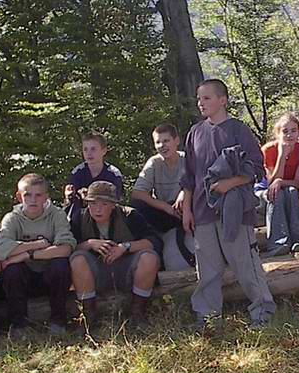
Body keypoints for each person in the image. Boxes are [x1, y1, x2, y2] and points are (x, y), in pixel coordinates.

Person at [180, 79, 275, 331]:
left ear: (222, 100)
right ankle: (207, 317)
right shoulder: (195, 133)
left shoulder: (238, 130)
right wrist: (187, 209)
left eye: (207, 98)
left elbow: (256, 168)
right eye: (199, 99)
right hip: (202, 211)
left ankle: (263, 313)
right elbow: (188, 176)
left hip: (235, 209)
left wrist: (230, 183)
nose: (201, 103)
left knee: (246, 265)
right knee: (207, 268)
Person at [0, 173, 77, 335]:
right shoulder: (12, 218)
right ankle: (19, 325)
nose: (33, 200)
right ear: (19, 196)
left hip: (50, 277)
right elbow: (1, 249)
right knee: (12, 270)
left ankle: (58, 322)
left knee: (60, 265)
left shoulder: (57, 215)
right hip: (24, 279)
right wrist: (37, 245)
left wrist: (28, 255)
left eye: (38, 195)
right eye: (27, 195)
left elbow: (65, 248)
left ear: (46, 197)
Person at [70, 181, 160, 324]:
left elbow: (154, 241)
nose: (98, 209)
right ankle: (88, 315)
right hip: (96, 272)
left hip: (126, 269)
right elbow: (68, 248)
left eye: (104, 204)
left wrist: (125, 247)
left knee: (149, 258)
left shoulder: (129, 215)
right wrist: (90, 244)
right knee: (78, 259)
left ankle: (138, 312)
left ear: (113, 205)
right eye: (93, 203)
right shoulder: (79, 218)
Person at [130, 123, 194, 266]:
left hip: (187, 208)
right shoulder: (154, 163)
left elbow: (200, 183)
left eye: (166, 141)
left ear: (176, 141)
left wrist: (184, 192)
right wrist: (165, 207)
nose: (162, 146)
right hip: (165, 210)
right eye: (158, 142)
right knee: (136, 207)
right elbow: (137, 193)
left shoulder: (187, 160)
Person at [260, 112, 299, 256]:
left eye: (293, 131)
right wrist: (282, 155)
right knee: (277, 194)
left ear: (298, 132)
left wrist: (281, 182)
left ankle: (297, 240)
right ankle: (278, 243)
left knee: (292, 191)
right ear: (278, 133)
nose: (289, 135)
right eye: (285, 131)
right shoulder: (268, 150)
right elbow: (270, 182)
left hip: (287, 189)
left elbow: (297, 182)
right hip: (264, 191)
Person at [64, 132, 124, 222]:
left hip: (106, 216)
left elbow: (115, 199)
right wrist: (69, 195)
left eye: (93, 149)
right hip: (80, 217)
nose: (89, 153)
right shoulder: (77, 172)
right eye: (85, 149)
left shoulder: (113, 174)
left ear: (104, 151)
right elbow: (71, 199)